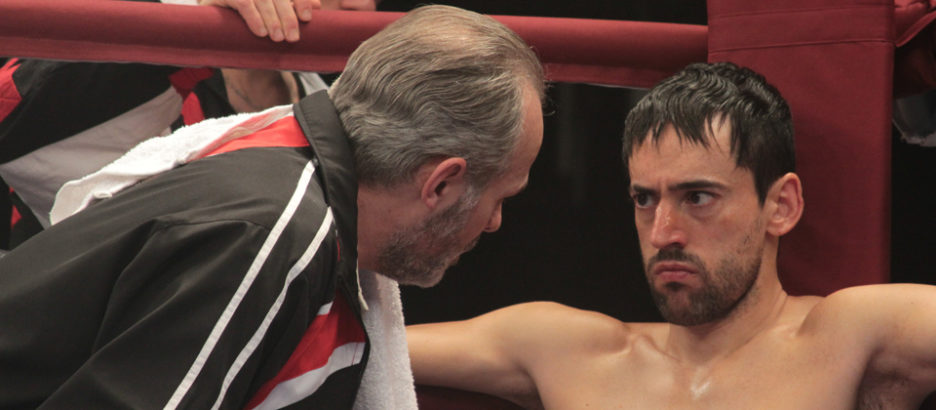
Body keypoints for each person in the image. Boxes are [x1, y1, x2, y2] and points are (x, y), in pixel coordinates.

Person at [0, 5, 545, 409]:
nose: (495, 223)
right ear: (442, 183)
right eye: (500, 198)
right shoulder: (272, 231)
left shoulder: (293, 169)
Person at [407, 62, 936, 409]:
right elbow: (358, 332)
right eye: (645, 199)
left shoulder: (846, 336)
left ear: (781, 205)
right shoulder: (564, 349)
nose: (663, 232)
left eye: (697, 197)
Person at [0, 0, 377, 247]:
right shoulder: (143, 62)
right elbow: (10, 118)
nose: (358, 5)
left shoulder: (339, 103)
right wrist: (191, 28)